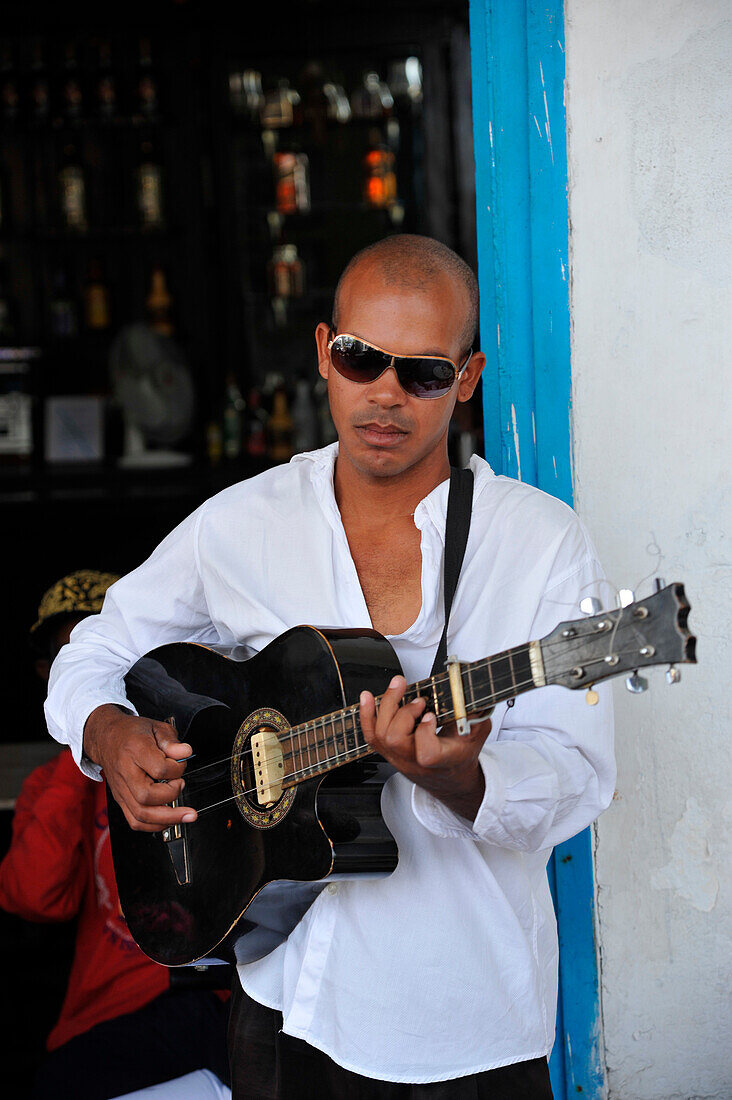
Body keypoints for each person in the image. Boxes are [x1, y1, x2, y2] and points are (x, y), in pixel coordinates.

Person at [45, 235, 616, 1098]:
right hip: (286, 1007)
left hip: (468, 1020)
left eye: (423, 372)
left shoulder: (536, 542)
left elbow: (577, 773)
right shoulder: (243, 524)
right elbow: (95, 647)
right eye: (360, 359)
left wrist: (459, 779)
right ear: (323, 352)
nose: (385, 394)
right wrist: (108, 731)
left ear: (468, 377)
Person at [0, 570, 231, 1100]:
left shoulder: (214, 739)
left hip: (226, 996)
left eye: (116, 653)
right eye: (74, 658)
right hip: (117, 1012)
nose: (107, 671)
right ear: (48, 674)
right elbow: (36, 899)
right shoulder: (50, 784)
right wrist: (88, 738)